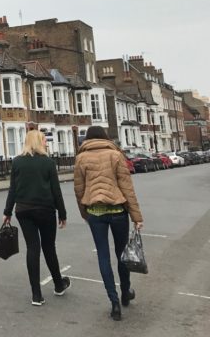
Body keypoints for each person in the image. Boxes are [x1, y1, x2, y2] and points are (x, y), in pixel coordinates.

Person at [74, 126, 143, 321]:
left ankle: (113, 302)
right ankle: (125, 292)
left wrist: (85, 214)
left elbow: (79, 190)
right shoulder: (116, 154)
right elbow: (127, 188)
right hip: (118, 211)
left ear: (87, 139)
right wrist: (136, 217)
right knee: (122, 254)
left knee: (103, 256)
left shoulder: (81, 158)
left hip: (95, 212)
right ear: (105, 137)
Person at [3, 130, 70, 306]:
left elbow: (13, 189)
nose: (46, 143)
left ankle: (36, 294)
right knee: (49, 247)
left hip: (23, 210)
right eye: (44, 140)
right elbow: (56, 191)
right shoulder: (48, 163)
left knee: (33, 248)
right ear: (38, 142)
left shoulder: (17, 162)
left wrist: (7, 212)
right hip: (45, 210)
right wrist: (62, 214)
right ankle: (58, 284)